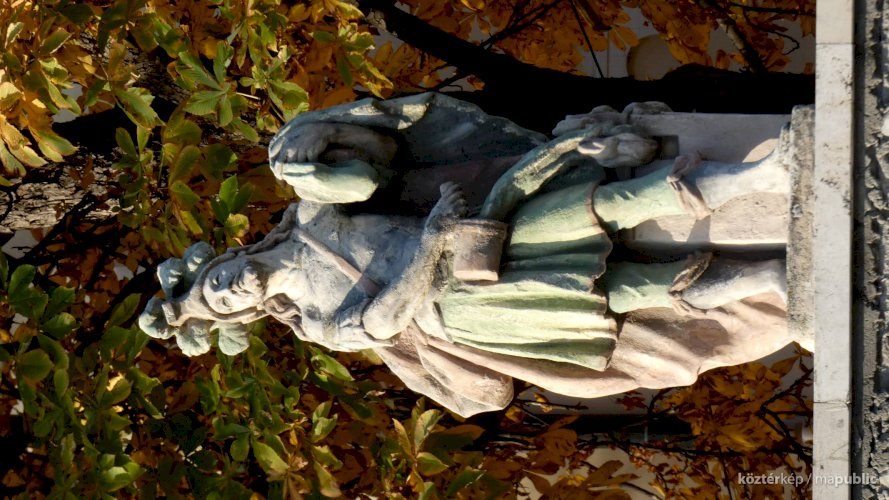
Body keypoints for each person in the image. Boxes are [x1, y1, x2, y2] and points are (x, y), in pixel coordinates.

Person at [140, 93, 805, 417]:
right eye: (224, 303)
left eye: (216, 282)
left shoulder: (310, 217)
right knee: (614, 293)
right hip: (461, 305)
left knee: (583, 208)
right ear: (243, 315)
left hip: (477, 232)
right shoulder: (315, 320)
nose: (230, 289)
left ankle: (757, 179)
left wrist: (310, 151)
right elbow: (380, 322)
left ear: (221, 258)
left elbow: (370, 171)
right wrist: (432, 243)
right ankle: (762, 276)